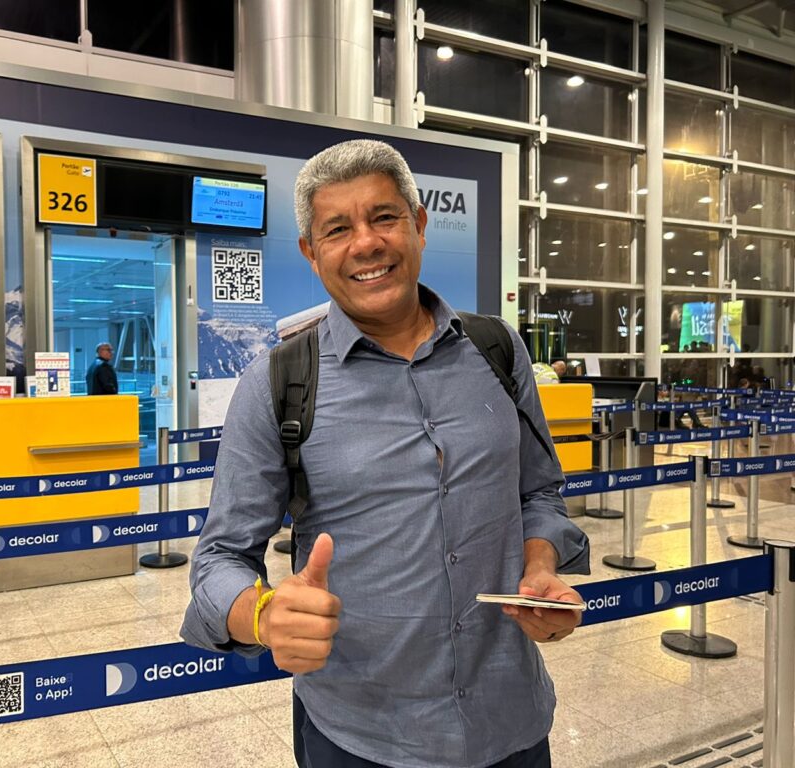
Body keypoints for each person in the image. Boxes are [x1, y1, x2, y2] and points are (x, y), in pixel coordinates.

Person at [181, 139, 590, 768]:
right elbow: (220, 558)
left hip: (510, 720)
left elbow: (538, 492)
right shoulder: (279, 381)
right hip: (360, 735)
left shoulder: (497, 351)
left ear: (419, 224)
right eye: (337, 229)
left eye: (384, 217)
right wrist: (261, 615)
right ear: (311, 252)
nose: (366, 244)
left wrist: (539, 570)